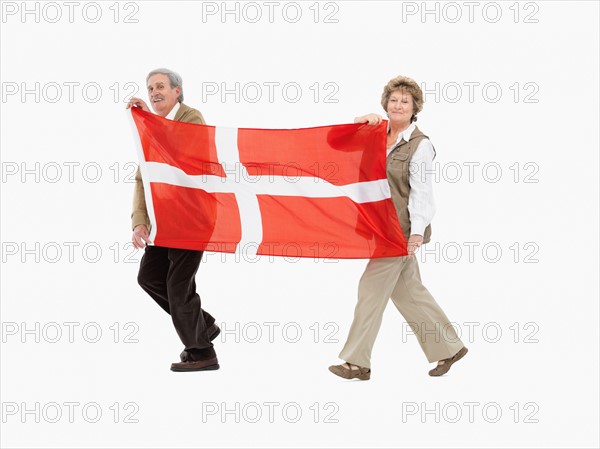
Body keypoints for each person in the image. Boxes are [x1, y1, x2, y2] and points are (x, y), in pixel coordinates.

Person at [329, 75, 467, 380]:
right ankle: (449, 348)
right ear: (385, 104)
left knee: (370, 290)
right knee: (409, 292)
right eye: (394, 100)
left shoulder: (421, 145)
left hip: (399, 232)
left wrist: (416, 232)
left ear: (415, 107)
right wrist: (358, 122)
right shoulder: (376, 134)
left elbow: (422, 192)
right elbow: (334, 144)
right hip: (376, 227)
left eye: (405, 101)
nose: (398, 105)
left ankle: (356, 363)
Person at [126, 68, 220, 372]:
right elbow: (144, 179)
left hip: (191, 220)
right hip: (164, 223)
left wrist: (147, 124)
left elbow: (183, 157)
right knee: (149, 277)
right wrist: (140, 221)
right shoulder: (151, 130)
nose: (154, 92)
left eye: (160, 87)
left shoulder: (192, 118)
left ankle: (202, 352)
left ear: (176, 91)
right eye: (150, 88)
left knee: (178, 287)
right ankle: (202, 325)